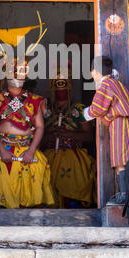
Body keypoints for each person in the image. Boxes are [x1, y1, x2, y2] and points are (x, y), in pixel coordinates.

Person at [0, 58, 54, 209]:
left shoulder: (35, 101)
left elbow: (40, 127)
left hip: (27, 151)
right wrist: (2, 150)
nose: (18, 75)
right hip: (1, 149)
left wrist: (31, 151)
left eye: (21, 71)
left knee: (35, 181)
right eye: (14, 71)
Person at [83, 56, 129, 204]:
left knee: (121, 159)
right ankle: (126, 193)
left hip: (119, 123)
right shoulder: (116, 83)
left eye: (92, 72)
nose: (92, 75)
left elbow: (98, 108)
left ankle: (125, 194)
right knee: (125, 157)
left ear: (96, 72)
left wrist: (84, 114)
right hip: (124, 123)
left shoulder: (105, 84)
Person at [41, 68, 95, 208]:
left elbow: (89, 136)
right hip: (49, 155)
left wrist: (68, 134)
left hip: (74, 156)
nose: (61, 91)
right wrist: (51, 135)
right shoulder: (45, 110)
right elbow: (36, 136)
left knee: (76, 187)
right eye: (58, 87)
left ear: (70, 88)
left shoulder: (79, 110)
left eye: (64, 86)